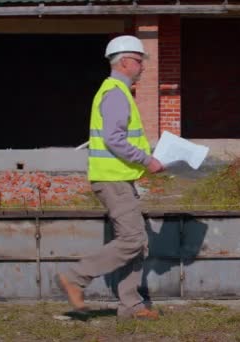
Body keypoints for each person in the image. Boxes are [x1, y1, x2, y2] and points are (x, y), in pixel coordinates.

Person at [57, 35, 164, 320]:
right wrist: (147, 159)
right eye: (140, 62)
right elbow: (114, 139)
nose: (142, 67)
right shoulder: (116, 93)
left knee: (136, 241)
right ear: (127, 62)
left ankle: (132, 305)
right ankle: (75, 277)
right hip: (112, 179)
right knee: (132, 239)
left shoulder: (117, 91)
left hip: (119, 178)